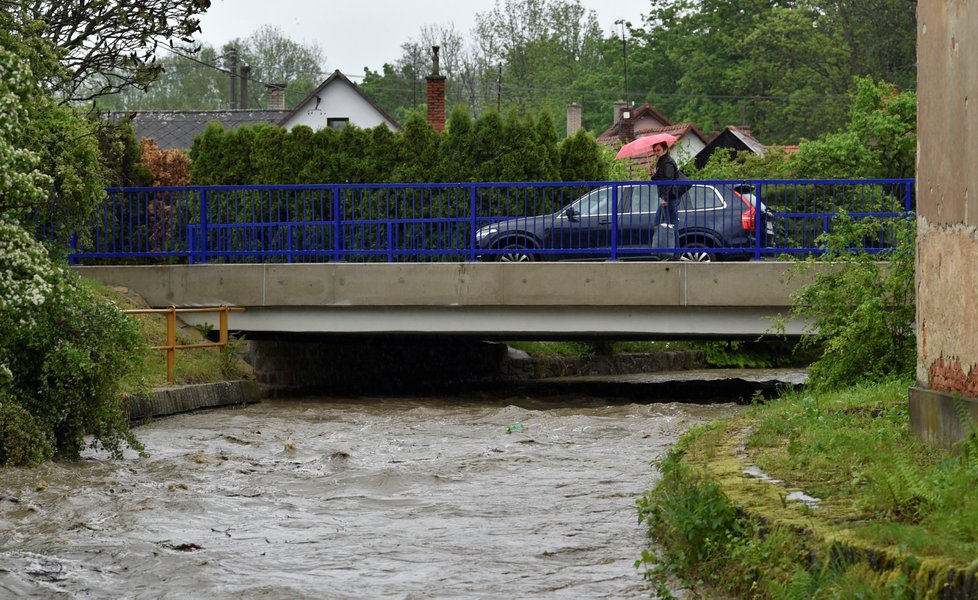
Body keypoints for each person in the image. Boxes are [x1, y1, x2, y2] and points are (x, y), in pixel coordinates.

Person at [650, 141, 683, 256]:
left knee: (672, 226)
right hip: (666, 197)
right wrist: (653, 175)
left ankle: (675, 253)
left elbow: (668, 181)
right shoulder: (661, 161)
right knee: (661, 222)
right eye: (654, 151)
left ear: (664, 149)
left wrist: (664, 198)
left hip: (670, 198)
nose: (656, 152)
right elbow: (661, 180)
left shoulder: (668, 162)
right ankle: (666, 251)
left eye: (658, 150)